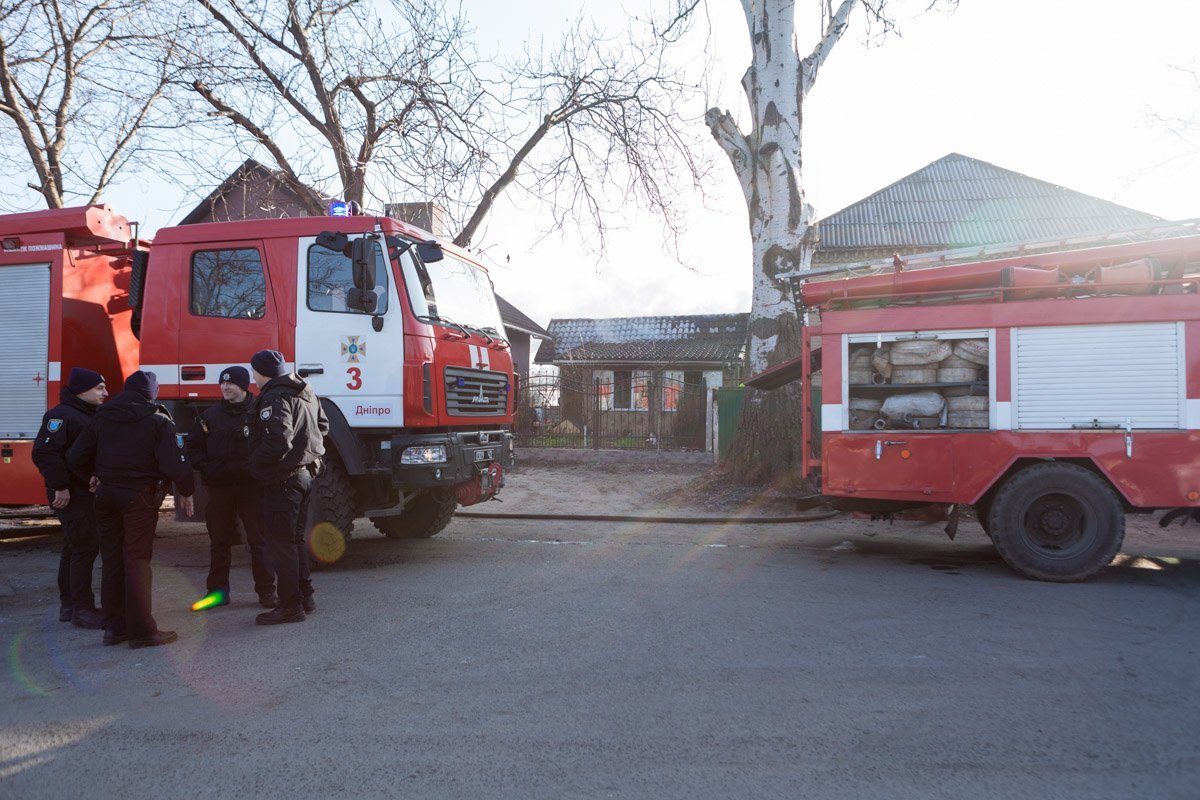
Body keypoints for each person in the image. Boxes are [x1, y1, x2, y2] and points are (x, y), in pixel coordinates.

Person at [68, 370, 195, 649]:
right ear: (152, 393)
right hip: (139, 498)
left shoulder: (102, 416)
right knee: (137, 560)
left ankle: (114, 628)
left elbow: (76, 456)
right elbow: (174, 464)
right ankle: (142, 632)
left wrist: (92, 474)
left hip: (105, 496)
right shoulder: (158, 420)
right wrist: (186, 491)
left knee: (112, 559)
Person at [248, 350, 328, 625]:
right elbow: (323, 427)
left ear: (263, 372)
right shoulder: (306, 392)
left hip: (282, 480)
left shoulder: (274, 396)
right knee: (293, 541)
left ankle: (291, 606)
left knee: (281, 545)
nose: (253, 377)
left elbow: (278, 441)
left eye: (254, 371)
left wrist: (255, 466)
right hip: (305, 476)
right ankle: (305, 597)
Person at [187, 366, 276, 611]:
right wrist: (205, 467)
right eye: (222, 383)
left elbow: (272, 444)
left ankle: (267, 591)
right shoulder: (209, 416)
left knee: (258, 541)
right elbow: (193, 446)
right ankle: (217, 592)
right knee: (219, 541)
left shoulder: (259, 413)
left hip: (251, 487)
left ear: (244, 385)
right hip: (219, 488)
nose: (225, 387)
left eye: (231, 384)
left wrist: (259, 471)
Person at [31, 367, 109, 629]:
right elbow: (45, 454)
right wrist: (61, 487)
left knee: (73, 547)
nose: (105, 393)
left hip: (79, 491)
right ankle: (82, 609)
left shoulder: (84, 414)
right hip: (72, 494)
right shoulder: (61, 416)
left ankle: (70, 605)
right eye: (99, 388)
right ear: (81, 390)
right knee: (85, 548)